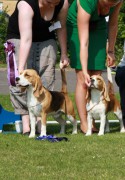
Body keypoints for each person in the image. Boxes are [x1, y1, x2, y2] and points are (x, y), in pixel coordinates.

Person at [5, 0, 70, 135]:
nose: (53, 6)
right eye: (49, 3)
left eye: (55, 4)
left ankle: (41, 124)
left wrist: (64, 53)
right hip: (19, 38)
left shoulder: (62, 3)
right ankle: (26, 125)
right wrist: (21, 71)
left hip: (46, 37)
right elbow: (26, 39)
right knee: (21, 83)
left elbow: (61, 27)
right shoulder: (26, 5)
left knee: (46, 77)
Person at [67, 0, 123, 133]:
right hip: (77, 24)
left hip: (98, 25)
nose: (109, 7)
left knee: (96, 76)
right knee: (83, 79)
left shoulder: (117, 1)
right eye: (107, 3)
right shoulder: (87, 2)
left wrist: (110, 51)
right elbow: (84, 43)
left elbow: (113, 24)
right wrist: (85, 70)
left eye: (112, 5)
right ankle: (84, 122)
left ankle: (93, 121)